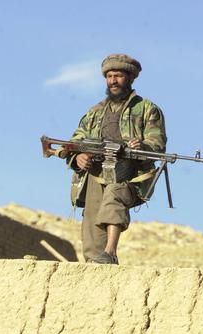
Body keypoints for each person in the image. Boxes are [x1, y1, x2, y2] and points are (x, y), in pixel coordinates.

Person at [64, 53, 167, 265]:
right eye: (109, 76)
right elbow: (74, 141)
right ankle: (94, 267)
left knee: (114, 196)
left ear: (130, 78)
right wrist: (78, 158)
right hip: (95, 173)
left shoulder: (147, 109)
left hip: (130, 173)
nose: (113, 80)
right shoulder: (95, 112)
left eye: (118, 76)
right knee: (92, 222)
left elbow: (158, 145)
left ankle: (110, 253)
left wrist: (143, 146)